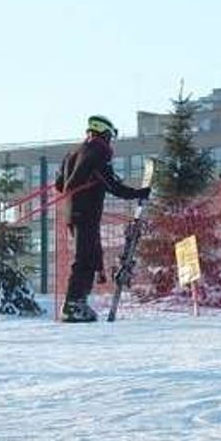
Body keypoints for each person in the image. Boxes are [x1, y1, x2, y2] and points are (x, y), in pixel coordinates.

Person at [54, 115, 151, 322]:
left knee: (89, 255)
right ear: (105, 133)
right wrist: (138, 193)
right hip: (86, 212)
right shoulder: (98, 152)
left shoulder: (73, 152)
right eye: (111, 135)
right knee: (85, 258)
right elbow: (111, 184)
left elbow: (59, 184)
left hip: (72, 211)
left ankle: (78, 302)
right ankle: (73, 304)